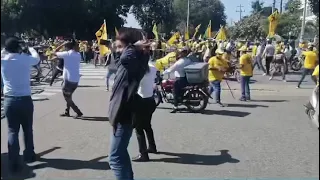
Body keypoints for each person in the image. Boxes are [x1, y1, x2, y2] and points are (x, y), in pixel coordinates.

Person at [108, 30, 148, 180]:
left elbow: (125, 57)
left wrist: (134, 46)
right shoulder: (133, 63)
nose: (118, 51)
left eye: (120, 47)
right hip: (123, 113)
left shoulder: (130, 62)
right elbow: (118, 61)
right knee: (121, 153)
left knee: (115, 158)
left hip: (123, 113)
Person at [1, 37, 40, 173]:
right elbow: (36, 58)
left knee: (12, 131)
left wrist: (7, 49)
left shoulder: (3, 60)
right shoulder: (24, 58)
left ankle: (13, 161)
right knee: (27, 128)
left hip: (10, 100)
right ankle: (29, 154)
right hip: (25, 99)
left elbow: (3, 52)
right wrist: (29, 48)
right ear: (18, 47)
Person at [132, 40, 158, 162]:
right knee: (147, 125)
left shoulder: (140, 69)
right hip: (151, 100)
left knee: (138, 128)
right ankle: (152, 147)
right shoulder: (152, 67)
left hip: (141, 101)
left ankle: (143, 154)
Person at [53, 40, 83, 118]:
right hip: (75, 80)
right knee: (69, 96)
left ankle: (78, 112)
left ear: (66, 47)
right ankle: (67, 112)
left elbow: (54, 52)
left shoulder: (67, 54)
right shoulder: (78, 54)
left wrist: (62, 44)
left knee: (67, 97)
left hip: (68, 80)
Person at [162, 47, 192, 113]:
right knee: (178, 90)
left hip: (180, 78)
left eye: (180, 53)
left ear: (183, 53)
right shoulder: (188, 60)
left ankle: (175, 106)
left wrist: (163, 73)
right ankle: (180, 99)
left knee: (174, 91)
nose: (179, 54)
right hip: (185, 78)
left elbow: (171, 69)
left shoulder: (180, 62)